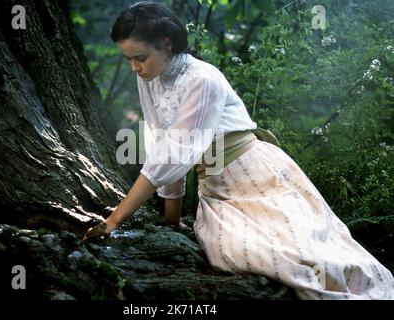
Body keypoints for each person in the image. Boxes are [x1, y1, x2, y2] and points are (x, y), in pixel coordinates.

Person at [83, 1, 394, 299]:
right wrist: (171, 220)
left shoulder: (202, 79)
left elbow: (174, 155)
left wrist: (114, 221)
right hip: (216, 186)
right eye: (128, 60)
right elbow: (161, 145)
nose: (134, 67)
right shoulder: (150, 77)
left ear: (166, 43)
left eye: (140, 57)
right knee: (228, 249)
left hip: (255, 174)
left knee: (296, 253)